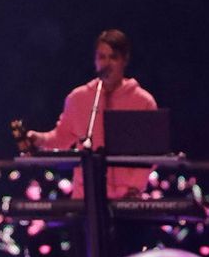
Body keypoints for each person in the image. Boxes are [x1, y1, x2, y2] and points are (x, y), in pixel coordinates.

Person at [25, 29, 157, 199]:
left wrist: (133, 187)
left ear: (125, 60)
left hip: (128, 199)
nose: (107, 64)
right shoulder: (78, 98)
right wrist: (39, 139)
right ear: (95, 60)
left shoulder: (143, 102)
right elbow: (62, 137)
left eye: (113, 57)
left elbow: (152, 153)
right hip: (86, 197)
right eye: (102, 57)